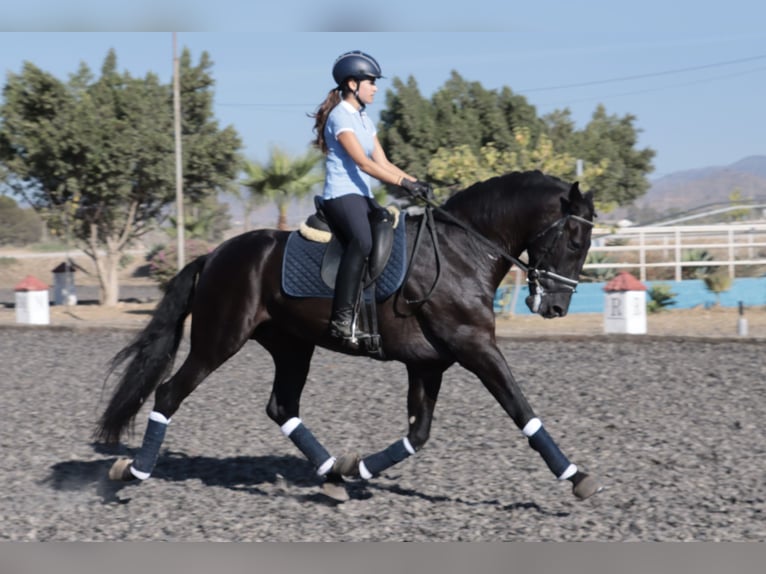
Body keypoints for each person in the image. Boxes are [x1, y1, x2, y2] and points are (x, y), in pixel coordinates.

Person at [311, 50, 430, 342]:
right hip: (341, 195)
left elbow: (383, 162)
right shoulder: (340, 117)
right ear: (353, 84)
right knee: (362, 242)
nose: (375, 87)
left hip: (362, 196)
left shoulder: (363, 118)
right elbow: (364, 164)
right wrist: (404, 183)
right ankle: (341, 319)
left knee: (392, 228)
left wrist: (416, 183)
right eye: (371, 82)